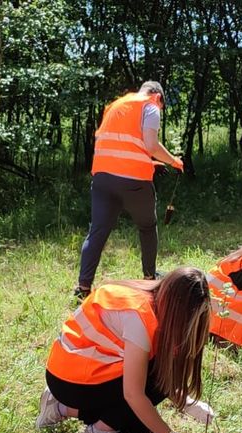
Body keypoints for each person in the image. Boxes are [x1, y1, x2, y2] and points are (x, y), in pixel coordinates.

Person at [38, 268, 211, 433]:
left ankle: (60, 408)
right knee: (150, 385)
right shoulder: (139, 318)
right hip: (72, 381)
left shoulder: (148, 295)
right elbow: (134, 394)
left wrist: (186, 403)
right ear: (177, 310)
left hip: (67, 372)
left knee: (138, 427)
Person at [74, 81, 185, 299]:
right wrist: (173, 161)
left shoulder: (115, 106)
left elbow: (121, 146)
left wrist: (151, 164)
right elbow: (151, 145)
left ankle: (83, 287)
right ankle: (149, 278)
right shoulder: (150, 106)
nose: (159, 109)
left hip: (103, 178)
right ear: (158, 96)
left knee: (97, 231)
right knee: (147, 226)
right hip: (134, 182)